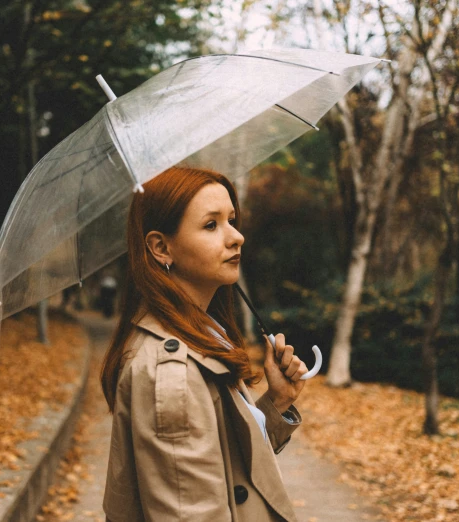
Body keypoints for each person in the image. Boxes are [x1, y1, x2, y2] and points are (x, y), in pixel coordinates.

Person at [101, 167, 308, 521]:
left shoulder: (201, 333)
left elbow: (231, 468)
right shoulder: (173, 373)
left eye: (231, 220)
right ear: (161, 248)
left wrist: (277, 402)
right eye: (211, 225)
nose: (237, 237)